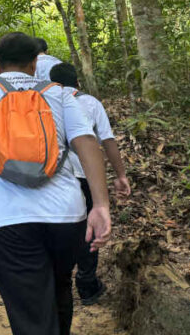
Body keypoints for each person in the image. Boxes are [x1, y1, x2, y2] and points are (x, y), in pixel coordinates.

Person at [0, 32, 112, 335]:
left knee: (30, 311)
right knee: (59, 286)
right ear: (36, 63)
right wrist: (101, 205)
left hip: (7, 221)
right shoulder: (59, 93)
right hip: (67, 217)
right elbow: (87, 142)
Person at [49, 62, 131, 305]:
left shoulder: (42, 101)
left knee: (57, 228)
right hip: (86, 176)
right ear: (77, 83)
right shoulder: (90, 103)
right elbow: (107, 140)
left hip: (54, 178)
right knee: (90, 229)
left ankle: (55, 284)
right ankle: (86, 285)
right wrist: (120, 175)